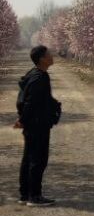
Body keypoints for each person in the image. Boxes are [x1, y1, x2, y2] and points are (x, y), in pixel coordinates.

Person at [16, 44, 61, 206]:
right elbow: (30, 102)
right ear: (42, 58)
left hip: (34, 124)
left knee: (29, 158)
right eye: (49, 54)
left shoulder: (35, 74)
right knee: (38, 159)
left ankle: (25, 194)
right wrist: (23, 119)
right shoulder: (39, 77)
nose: (52, 55)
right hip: (37, 125)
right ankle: (34, 196)